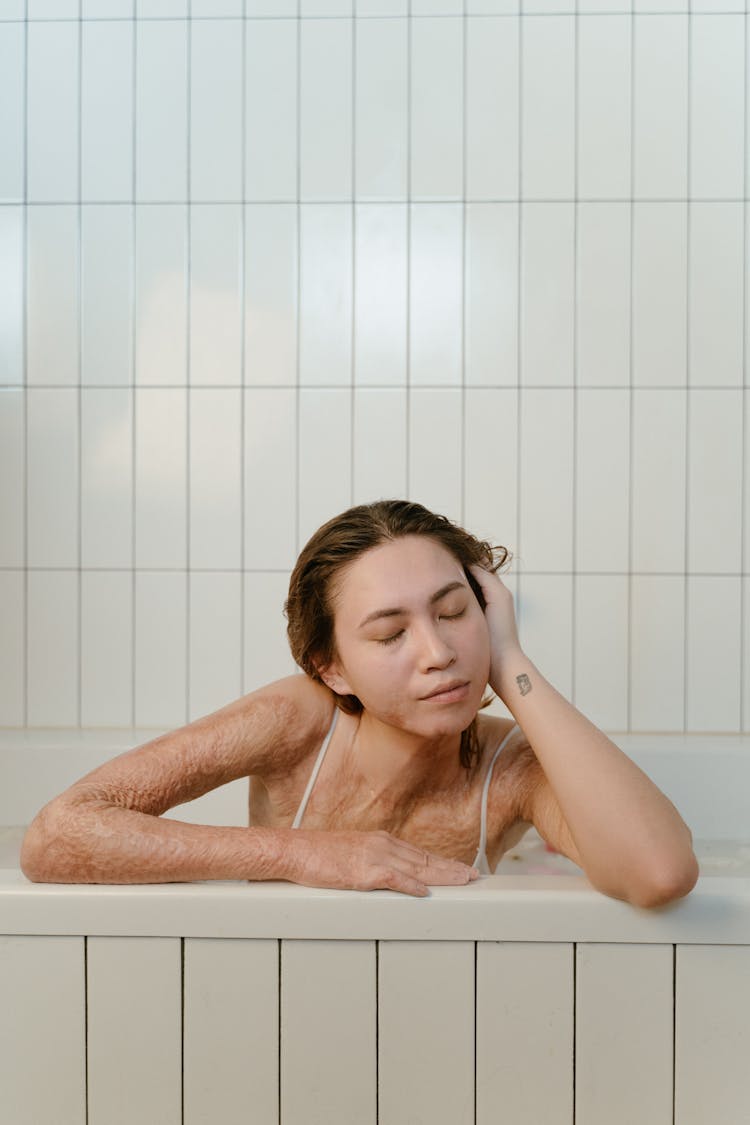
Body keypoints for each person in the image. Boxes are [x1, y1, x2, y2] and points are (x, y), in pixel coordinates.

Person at [20, 499, 699, 907]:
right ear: (332, 667)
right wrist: (300, 855)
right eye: (391, 632)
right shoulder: (295, 723)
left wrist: (512, 660)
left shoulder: (511, 767)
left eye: (456, 611)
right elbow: (56, 834)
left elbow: (659, 872)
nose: (438, 651)